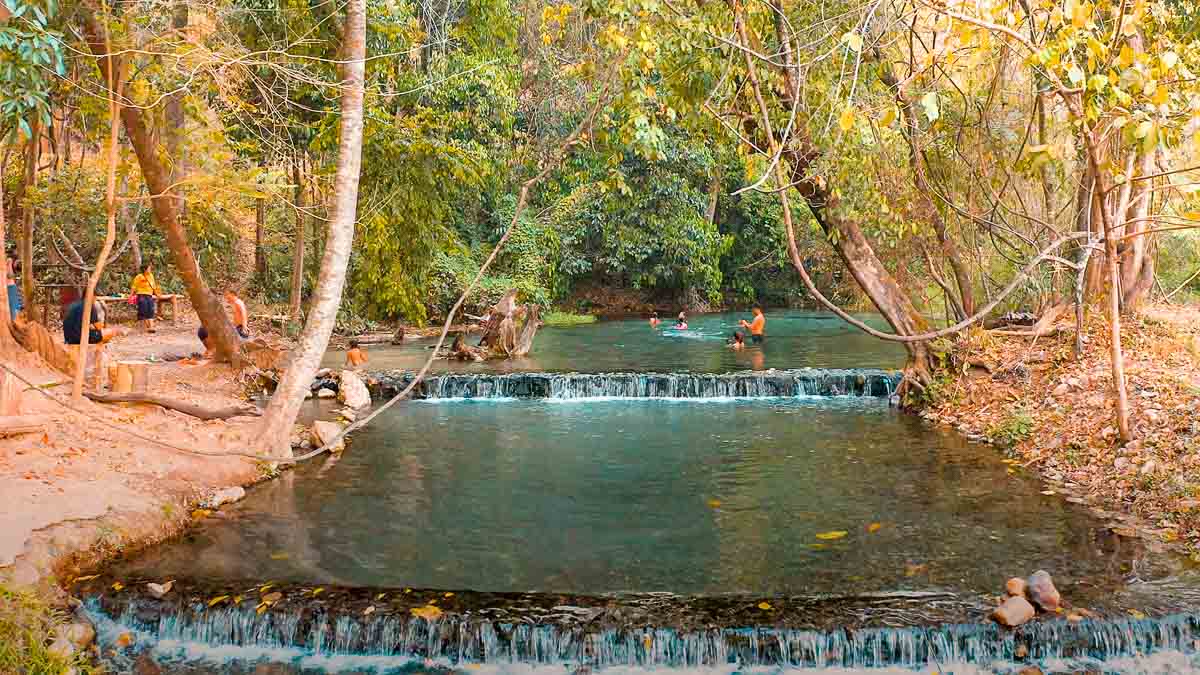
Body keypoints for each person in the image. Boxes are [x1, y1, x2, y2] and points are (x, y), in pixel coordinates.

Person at [130, 262, 162, 333]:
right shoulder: (139, 276)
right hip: (141, 295)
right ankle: (145, 327)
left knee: (150, 310)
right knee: (143, 310)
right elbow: (134, 287)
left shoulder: (151, 276)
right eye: (149, 268)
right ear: (145, 269)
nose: (150, 269)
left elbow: (153, 286)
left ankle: (151, 327)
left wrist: (157, 295)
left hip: (149, 295)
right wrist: (130, 296)